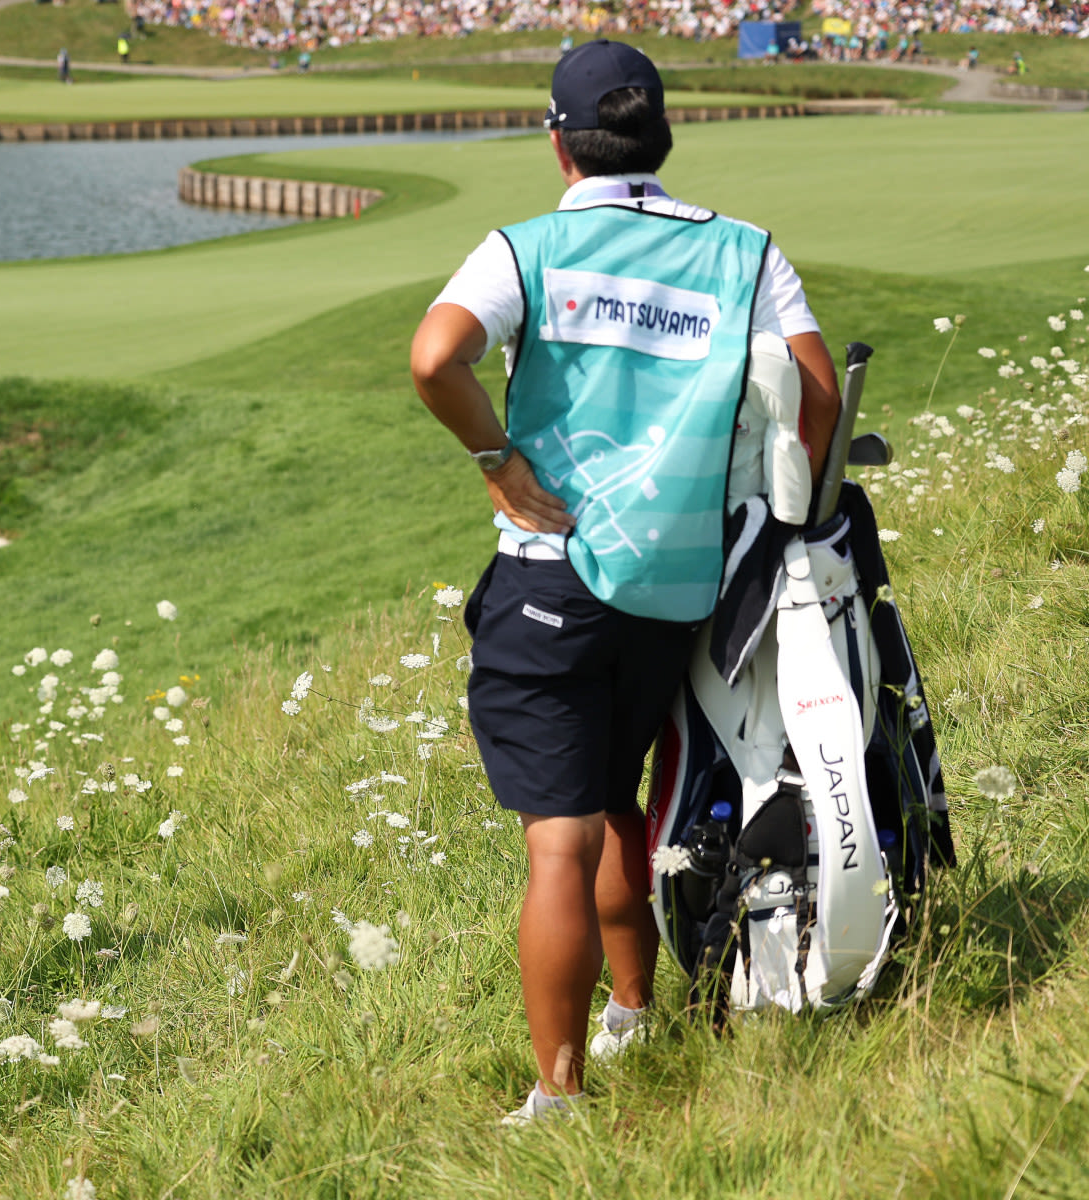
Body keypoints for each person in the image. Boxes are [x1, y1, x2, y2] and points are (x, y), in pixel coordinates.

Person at [408, 39, 839, 1126]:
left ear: (559, 142)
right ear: (664, 136)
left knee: (565, 831)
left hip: (550, 581)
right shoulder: (743, 251)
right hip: (680, 583)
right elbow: (819, 397)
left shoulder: (527, 247)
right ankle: (636, 1008)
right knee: (623, 798)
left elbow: (433, 357)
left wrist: (495, 460)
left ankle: (558, 1093)